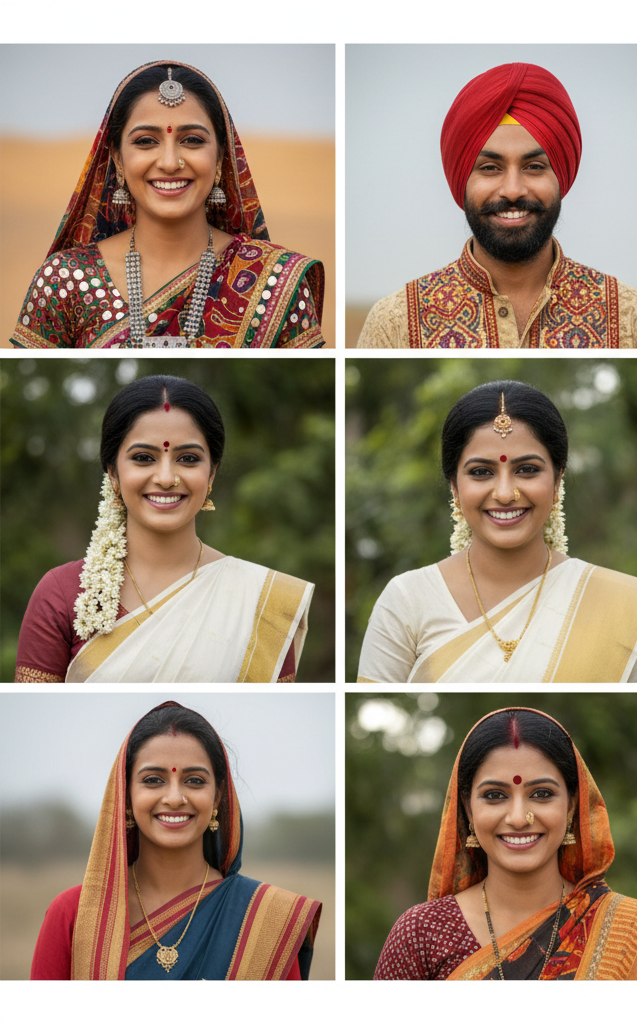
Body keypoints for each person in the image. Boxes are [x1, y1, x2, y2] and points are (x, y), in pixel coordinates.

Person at [356, 380, 637, 682]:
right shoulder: (407, 600)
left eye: (527, 470)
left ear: (558, 479)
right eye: (481, 472)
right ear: (454, 485)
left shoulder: (617, 606)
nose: (505, 493)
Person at [14, 375, 314, 682]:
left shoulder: (262, 601)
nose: (167, 477)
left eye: (188, 458)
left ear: (211, 473)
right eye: (144, 458)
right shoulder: (62, 594)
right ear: (113, 473)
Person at [11, 60, 324, 348]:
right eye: (146, 141)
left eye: (192, 140)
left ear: (220, 159)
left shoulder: (276, 282)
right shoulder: (64, 280)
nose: (171, 162)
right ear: (118, 159)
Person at [357, 63, 637, 349]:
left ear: (560, 176)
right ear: (462, 179)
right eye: (490, 168)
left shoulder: (633, 318)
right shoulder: (396, 323)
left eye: (534, 167)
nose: (512, 190)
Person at [374, 707, 637, 979]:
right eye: (494, 795)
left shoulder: (628, 935)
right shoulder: (422, 934)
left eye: (541, 794)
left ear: (571, 805)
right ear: (467, 808)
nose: (519, 818)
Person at [30, 701, 322, 979]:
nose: (174, 798)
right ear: (126, 795)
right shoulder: (74, 914)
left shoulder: (265, 920)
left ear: (217, 796)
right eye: (153, 780)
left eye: (194, 780)